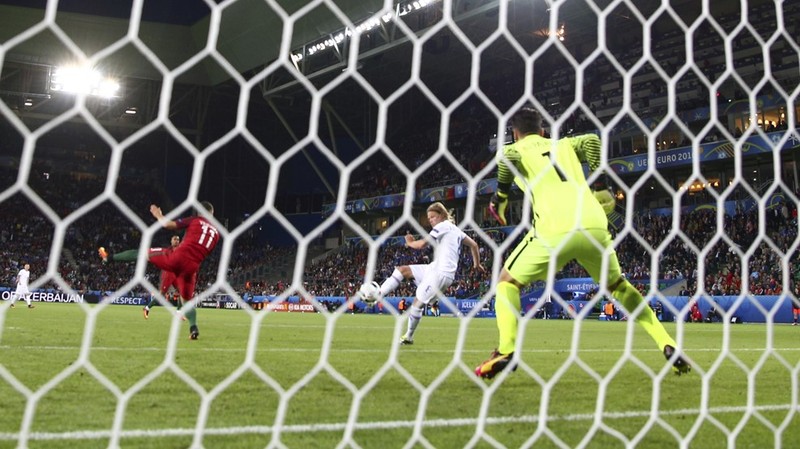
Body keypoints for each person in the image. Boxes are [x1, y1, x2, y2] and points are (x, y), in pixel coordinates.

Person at [475, 106, 690, 379]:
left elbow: (505, 156)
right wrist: (600, 185)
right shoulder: (563, 144)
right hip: (594, 222)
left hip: (555, 227)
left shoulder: (517, 148)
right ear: (543, 131)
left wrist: (500, 196)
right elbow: (592, 141)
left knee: (507, 283)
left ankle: (506, 350)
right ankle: (666, 342)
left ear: (515, 134)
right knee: (619, 286)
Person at [100, 202, 219, 339]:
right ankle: (193, 328)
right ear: (212, 214)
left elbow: (168, 225)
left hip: (177, 258)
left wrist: (158, 214)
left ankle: (109, 258)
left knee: (143, 253)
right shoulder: (216, 234)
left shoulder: (195, 220)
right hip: (192, 268)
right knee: (186, 301)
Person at [373, 202, 485, 345]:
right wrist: (477, 264)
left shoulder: (443, 226)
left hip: (441, 274)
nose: (431, 220)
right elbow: (474, 245)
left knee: (416, 304)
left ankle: (408, 336)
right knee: (402, 270)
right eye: (429, 218)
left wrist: (409, 242)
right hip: (434, 268)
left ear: (442, 216)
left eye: (433, 217)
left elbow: (421, 245)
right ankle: (379, 294)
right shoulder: (455, 230)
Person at [100, 234, 182, 319]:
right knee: (139, 253)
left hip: (176, 272)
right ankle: (108, 258)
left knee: (182, 292)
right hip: (168, 269)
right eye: (174, 239)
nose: (176, 240)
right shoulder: (166, 251)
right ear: (171, 241)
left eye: (178, 239)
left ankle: (178, 312)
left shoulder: (182, 250)